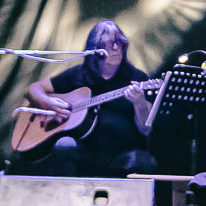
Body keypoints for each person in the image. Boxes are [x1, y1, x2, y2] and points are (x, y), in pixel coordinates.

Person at [19, 20, 157, 178]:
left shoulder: (138, 78)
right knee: (64, 145)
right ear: (96, 49)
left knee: (144, 161)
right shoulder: (78, 74)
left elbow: (145, 129)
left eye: (119, 43)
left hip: (122, 156)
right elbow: (33, 89)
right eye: (109, 43)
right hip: (84, 154)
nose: (115, 48)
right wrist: (47, 102)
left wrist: (139, 103)